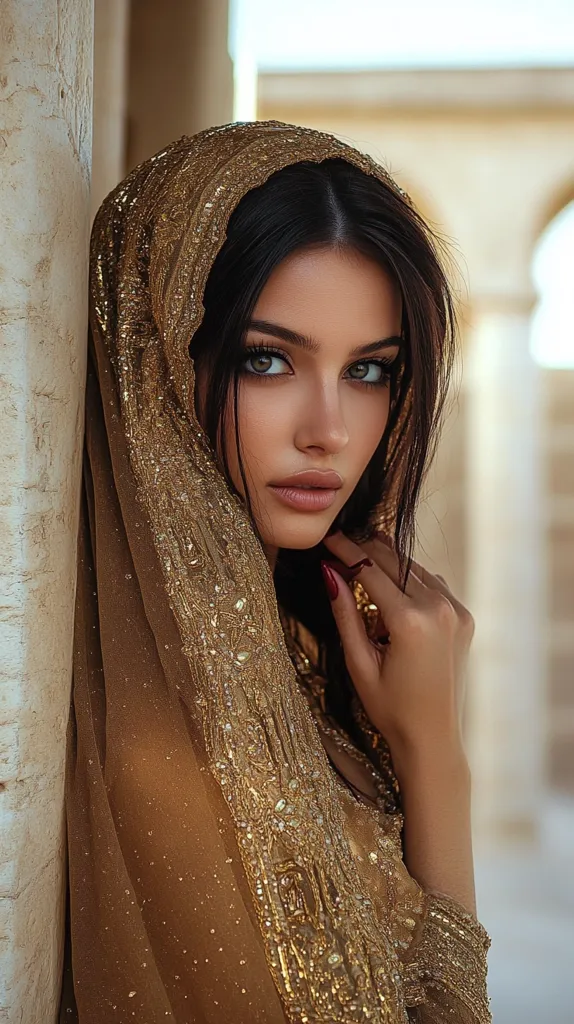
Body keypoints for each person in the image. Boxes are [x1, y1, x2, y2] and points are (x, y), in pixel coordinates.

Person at [59, 120, 492, 1023]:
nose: (328, 430)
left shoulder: (291, 646)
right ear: (159, 362)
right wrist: (435, 762)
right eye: (268, 360)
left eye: (369, 371)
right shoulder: (164, 747)